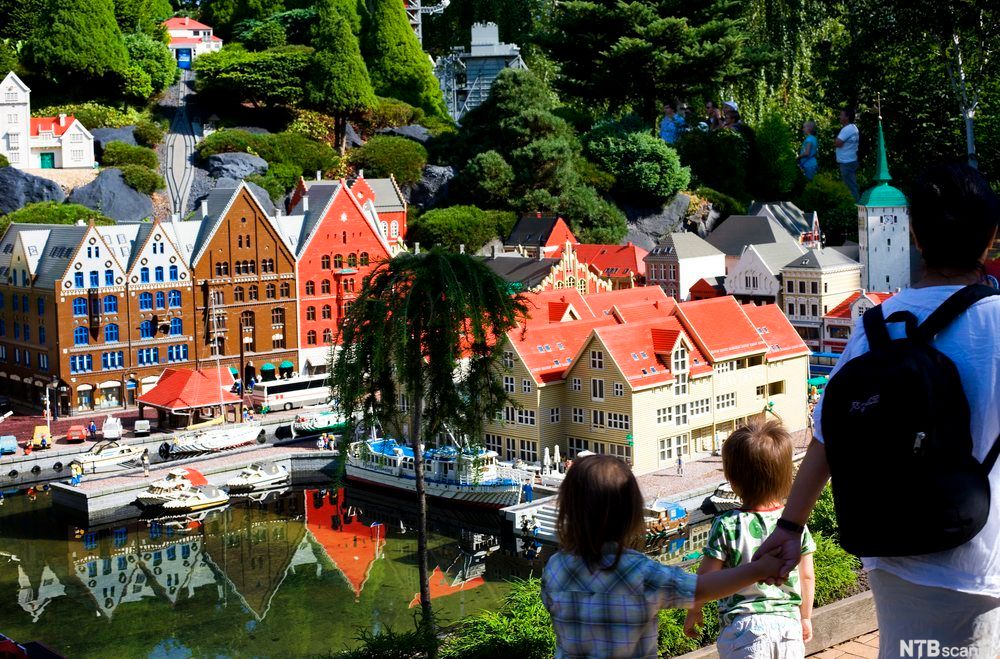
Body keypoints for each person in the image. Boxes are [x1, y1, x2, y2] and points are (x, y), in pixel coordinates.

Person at [754, 163, 1000, 657]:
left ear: (914, 234)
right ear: (992, 237)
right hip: (979, 558)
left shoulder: (876, 326)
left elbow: (827, 436)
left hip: (889, 549)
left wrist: (789, 527)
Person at [542, 454, 783, 659]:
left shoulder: (555, 567)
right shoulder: (640, 572)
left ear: (569, 509)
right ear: (630, 513)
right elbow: (702, 588)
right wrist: (758, 569)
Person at [685, 420, 816, 657]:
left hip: (743, 629)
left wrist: (694, 610)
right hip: (788, 627)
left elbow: (706, 577)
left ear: (732, 481)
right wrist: (805, 617)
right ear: (786, 476)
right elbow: (806, 576)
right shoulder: (794, 526)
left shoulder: (727, 524)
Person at [834, 108, 860, 201]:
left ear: (847, 117)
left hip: (847, 163)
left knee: (849, 187)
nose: (839, 117)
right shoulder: (853, 128)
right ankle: (854, 207)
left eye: (841, 115)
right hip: (850, 161)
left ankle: (855, 208)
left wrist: (837, 141)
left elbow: (837, 143)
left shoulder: (847, 129)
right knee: (851, 185)